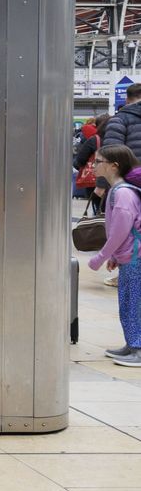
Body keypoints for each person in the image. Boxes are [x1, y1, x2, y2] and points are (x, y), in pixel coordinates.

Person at [87, 144, 141, 367]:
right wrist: (115, 257)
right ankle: (132, 344)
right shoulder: (118, 191)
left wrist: (100, 257)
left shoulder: (123, 194)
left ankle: (137, 348)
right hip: (129, 257)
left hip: (135, 258)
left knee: (133, 303)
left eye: (98, 162)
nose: (93, 165)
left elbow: (119, 232)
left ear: (113, 166)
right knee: (128, 302)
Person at [74, 114, 108, 214]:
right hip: (114, 180)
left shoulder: (94, 140)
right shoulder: (119, 138)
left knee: (98, 209)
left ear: (97, 126)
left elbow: (79, 160)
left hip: (95, 181)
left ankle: (98, 227)